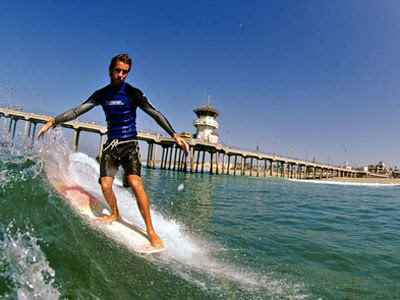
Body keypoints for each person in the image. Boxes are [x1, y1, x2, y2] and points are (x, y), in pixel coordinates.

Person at [38, 54, 189, 249]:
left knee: (135, 183)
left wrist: (174, 134)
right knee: (106, 185)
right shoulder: (102, 94)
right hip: (111, 146)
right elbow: (78, 111)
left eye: (124, 72)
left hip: (129, 145)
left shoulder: (133, 93)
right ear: (110, 70)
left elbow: (155, 113)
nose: (120, 75)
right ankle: (115, 213)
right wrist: (53, 121)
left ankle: (151, 231)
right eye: (117, 71)